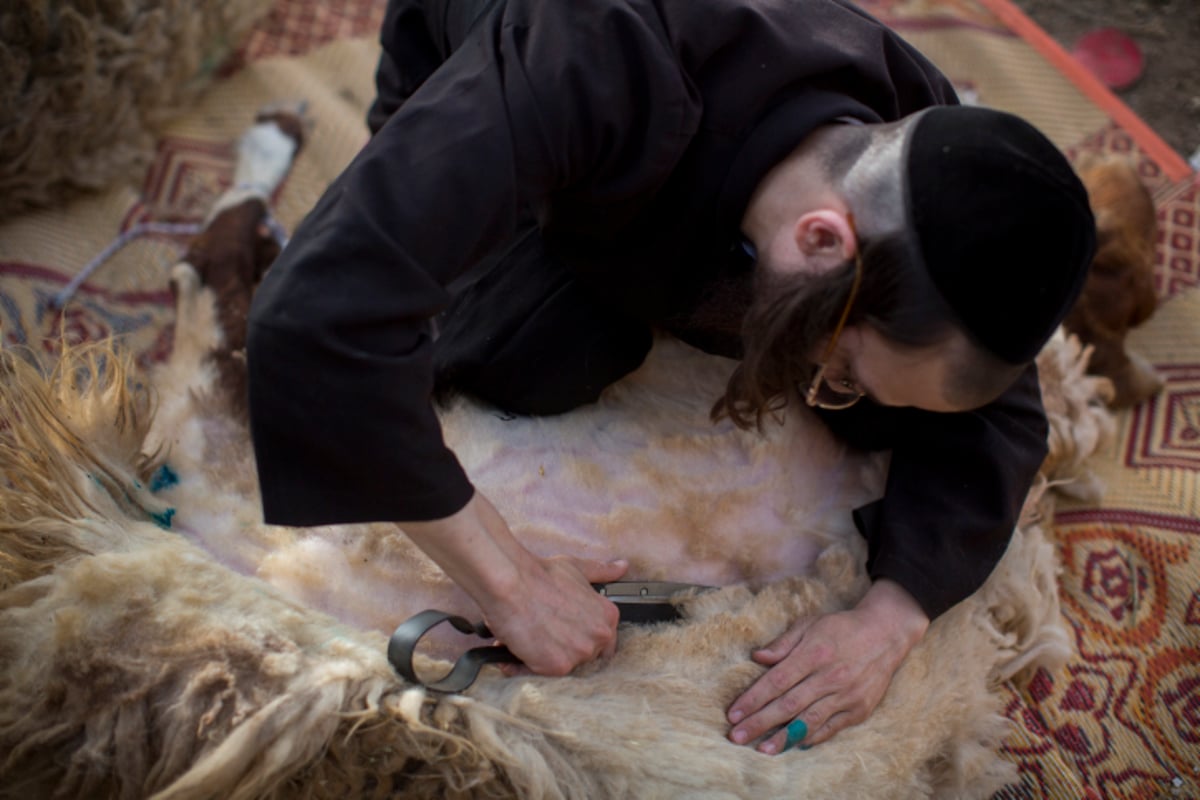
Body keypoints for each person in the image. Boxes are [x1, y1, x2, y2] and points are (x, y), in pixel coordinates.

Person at [245, 0, 1095, 756]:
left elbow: (1003, 418)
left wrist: (889, 619)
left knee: (885, 402)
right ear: (822, 242)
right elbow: (318, 317)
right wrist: (510, 582)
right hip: (496, 86)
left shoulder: (918, 145)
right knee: (537, 346)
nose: (828, 391)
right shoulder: (590, 57)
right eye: (838, 370)